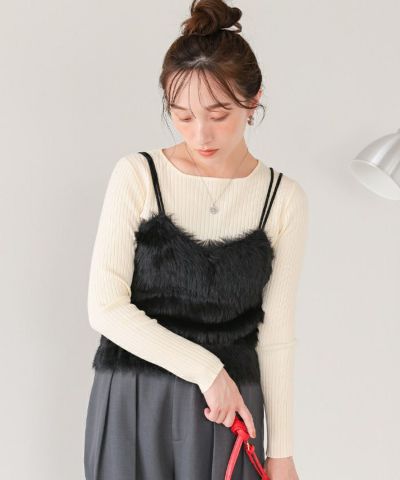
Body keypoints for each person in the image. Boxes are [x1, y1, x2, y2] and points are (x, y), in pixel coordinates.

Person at [84, 1, 308, 479]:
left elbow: (276, 336)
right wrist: (207, 370)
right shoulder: (138, 176)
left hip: (231, 413)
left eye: (218, 114)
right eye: (182, 116)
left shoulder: (282, 198)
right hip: (135, 400)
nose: (200, 134)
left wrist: (282, 452)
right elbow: (105, 307)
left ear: (254, 100)